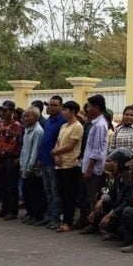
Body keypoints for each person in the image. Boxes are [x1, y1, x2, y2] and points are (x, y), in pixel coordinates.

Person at [83, 148, 133, 238]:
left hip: (123, 213)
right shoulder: (119, 178)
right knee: (102, 197)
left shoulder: (130, 182)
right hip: (117, 209)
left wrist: (109, 216)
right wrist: (101, 201)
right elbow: (111, 193)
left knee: (119, 228)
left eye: (111, 162)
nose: (107, 164)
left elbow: (126, 204)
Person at [52, 100, 84, 232]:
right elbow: (58, 143)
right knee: (60, 194)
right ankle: (62, 219)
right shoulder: (64, 126)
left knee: (69, 196)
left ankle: (68, 222)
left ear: (72, 111)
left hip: (71, 165)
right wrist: (55, 155)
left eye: (65, 110)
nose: (63, 112)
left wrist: (55, 152)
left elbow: (71, 145)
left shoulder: (77, 126)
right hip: (60, 164)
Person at [79, 94, 110, 229]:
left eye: (90, 107)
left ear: (97, 108)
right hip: (88, 166)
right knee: (87, 195)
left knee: (93, 196)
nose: (88, 109)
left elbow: (97, 151)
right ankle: (88, 221)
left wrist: (89, 169)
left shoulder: (100, 125)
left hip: (94, 169)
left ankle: (94, 223)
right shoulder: (94, 123)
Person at [35, 96, 65, 229]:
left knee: (55, 191)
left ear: (61, 107)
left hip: (55, 162)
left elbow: (60, 142)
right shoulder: (47, 121)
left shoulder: (63, 121)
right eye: (50, 105)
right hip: (45, 160)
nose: (51, 107)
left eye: (54, 105)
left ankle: (56, 218)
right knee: (47, 191)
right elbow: (44, 142)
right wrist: (40, 158)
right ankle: (49, 216)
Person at [0, 100, 23, 220]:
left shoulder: (16, 125)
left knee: (11, 185)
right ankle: (4, 209)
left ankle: (12, 211)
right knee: (2, 184)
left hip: (10, 157)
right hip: (0, 157)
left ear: (12, 111)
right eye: (1, 110)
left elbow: (14, 143)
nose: (2, 112)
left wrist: (4, 152)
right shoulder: (0, 124)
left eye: (5, 110)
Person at [19, 107, 46, 224]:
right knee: (27, 192)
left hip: (33, 168)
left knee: (35, 193)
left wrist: (30, 167)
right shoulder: (27, 129)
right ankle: (30, 213)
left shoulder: (38, 131)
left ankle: (37, 215)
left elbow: (35, 151)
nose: (25, 118)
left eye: (28, 116)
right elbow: (24, 150)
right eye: (24, 116)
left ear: (35, 117)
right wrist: (21, 164)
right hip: (25, 165)